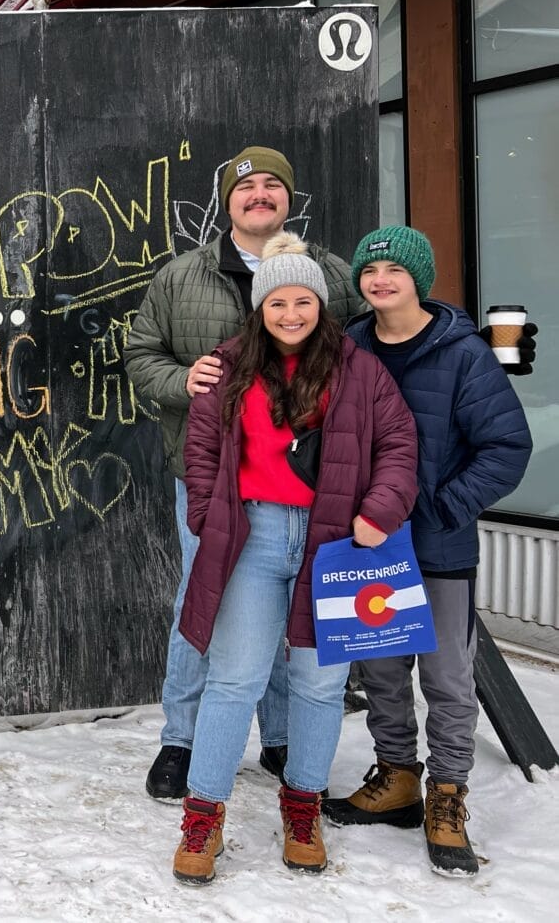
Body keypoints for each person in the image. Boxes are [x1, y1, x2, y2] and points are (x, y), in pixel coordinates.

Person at [171, 233, 417, 884]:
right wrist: (205, 515)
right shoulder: (228, 364)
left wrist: (379, 512)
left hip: (334, 539)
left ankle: (302, 804)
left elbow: (398, 443)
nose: (290, 312)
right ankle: (203, 813)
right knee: (235, 678)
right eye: (277, 300)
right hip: (250, 537)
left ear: (318, 303)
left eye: (301, 299)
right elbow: (200, 449)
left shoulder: (358, 368)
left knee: (319, 683)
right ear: (260, 305)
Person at [126, 145, 361, 800]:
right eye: (246, 186)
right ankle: (183, 737)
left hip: (308, 484)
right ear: (227, 202)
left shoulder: (330, 274)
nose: (259, 194)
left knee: (295, 603)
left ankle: (282, 734)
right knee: (203, 601)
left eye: (271, 185)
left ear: (288, 198)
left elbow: (367, 353)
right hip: (212, 481)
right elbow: (141, 353)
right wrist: (181, 377)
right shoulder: (182, 277)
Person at [324, 226, 532, 877]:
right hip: (370, 544)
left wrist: (443, 505)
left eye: (395, 268)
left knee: (446, 676)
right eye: (370, 268)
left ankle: (446, 794)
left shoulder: (461, 352)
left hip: (439, 545)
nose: (381, 279)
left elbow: (507, 447)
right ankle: (397, 779)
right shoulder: (350, 344)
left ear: (421, 276)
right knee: (382, 671)